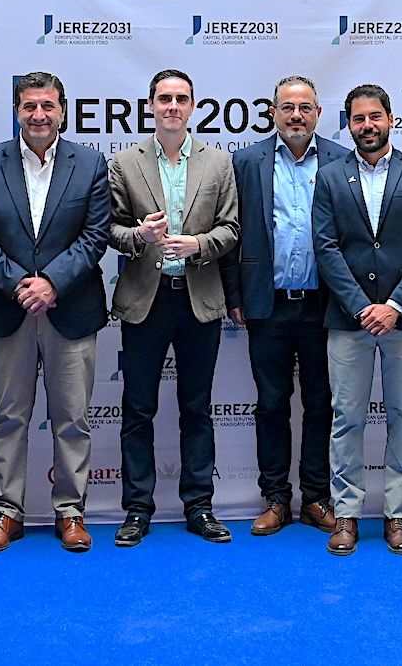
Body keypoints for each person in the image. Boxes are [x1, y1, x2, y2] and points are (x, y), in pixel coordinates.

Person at [0, 71, 111, 554]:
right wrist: (19, 285)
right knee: (9, 417)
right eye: (29, 107)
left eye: (48, 106)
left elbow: (95, 235)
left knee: (72, 418)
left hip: (70, 309)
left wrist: (52, 283)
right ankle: (7, 512)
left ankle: (71, 511)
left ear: (63, 111)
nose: (39, 115)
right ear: (17, 111)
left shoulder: (90, 164)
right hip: (9, 310)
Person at [107, 69, 240, 546]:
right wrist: (141, 236)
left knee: (196, 408)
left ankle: (199, 505)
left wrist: (199, 244)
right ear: (150, 106)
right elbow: (110, 230)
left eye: (181, 99)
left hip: (199, 300)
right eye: (164, 98)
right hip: (147, 300)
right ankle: (137, 509)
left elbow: (231, 230)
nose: (172, 107)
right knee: (138, 409)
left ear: (193, 106)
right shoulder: (124, 162)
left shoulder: (218, 164)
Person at [314, 84, 402, 556]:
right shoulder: (330, 177)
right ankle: (345, 514)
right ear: (348, 125)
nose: (367, 126)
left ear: (391, 119)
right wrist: (361, 306)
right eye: (358, 119)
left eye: (375, 117)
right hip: (349, 322)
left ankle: (398, 515)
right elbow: (325, 247)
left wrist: (395, 306)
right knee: (346, 418)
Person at [220, 75, 347, 536]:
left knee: (321, 403)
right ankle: (275, 498)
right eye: (288, 107)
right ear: (273, 112)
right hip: (266, 305)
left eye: (306, 107)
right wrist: (235, 296)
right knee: (271, 404)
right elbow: (232, 233)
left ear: (318, 113)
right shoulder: (247, 161)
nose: (297, 115)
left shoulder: (339, 158)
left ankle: (315, 497)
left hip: (325, 305)